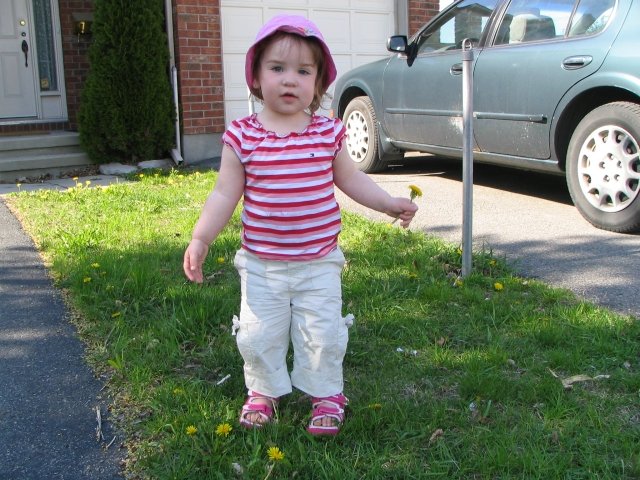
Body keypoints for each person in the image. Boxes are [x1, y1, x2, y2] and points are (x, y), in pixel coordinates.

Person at [183, 14, 418, 436]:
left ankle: (326, 394)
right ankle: (263, 391)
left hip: (318, 263)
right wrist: (201, 238)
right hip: (262, 265)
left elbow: (351, 179)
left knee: (322, 333)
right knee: (259, 335)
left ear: (318, 82)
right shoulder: (242, 136)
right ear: (256, 76)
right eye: (277, 68)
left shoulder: (327, 133)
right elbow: (223, 195)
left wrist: (387, 203)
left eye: (303, 71)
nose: (290, 79)